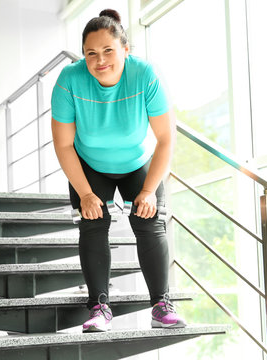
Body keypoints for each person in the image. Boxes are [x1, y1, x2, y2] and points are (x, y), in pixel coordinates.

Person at [51, 8, 186, 333]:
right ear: (83, 55)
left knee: (149, 221)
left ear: (125, 49)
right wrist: (85, 193)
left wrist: (149, 190)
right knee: (93, 224)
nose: (100, 60)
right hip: (89, 164)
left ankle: (161, 306)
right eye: (91, 53)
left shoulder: (145, 76)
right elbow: (64, 145)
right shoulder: (70, 80)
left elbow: (166, 139)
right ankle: (99, 308)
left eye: (108, 50)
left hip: (137, 163)